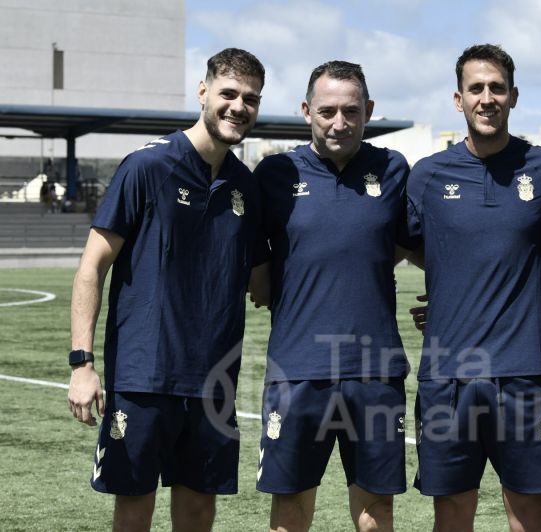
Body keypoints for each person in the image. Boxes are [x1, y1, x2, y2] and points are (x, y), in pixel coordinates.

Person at [67, 48, 267, 532]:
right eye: (228, 93)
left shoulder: (246, 186)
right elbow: (92, 266)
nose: (238, 106)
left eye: (251, 98)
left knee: (199, 512)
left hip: (215, 382)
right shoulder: (147, 166)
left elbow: (266, 284)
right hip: (143, 376)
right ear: (203, 92)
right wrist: (82, 364)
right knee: (135, 510)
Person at [406, 44, 541, 531]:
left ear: (514, 96)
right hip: (447, 378)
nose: (487, 97)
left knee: (529, 516)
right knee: (452, 516)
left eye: (496, 87)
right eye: (475, 88)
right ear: (458, 100)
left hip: (523, 375)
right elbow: (413, 247)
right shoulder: (427, 176)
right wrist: (450, 285)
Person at [254, 61, 417, 532]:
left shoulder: (393, 169)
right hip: (297, 370)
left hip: (376, 370)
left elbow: (407, 244)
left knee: (376, 514)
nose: (339, 122)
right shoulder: (275, 173)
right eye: (327, 111)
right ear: (307, 111)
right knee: (290, 512)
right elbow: (249, 261)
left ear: (368, 110)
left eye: (350, 111)